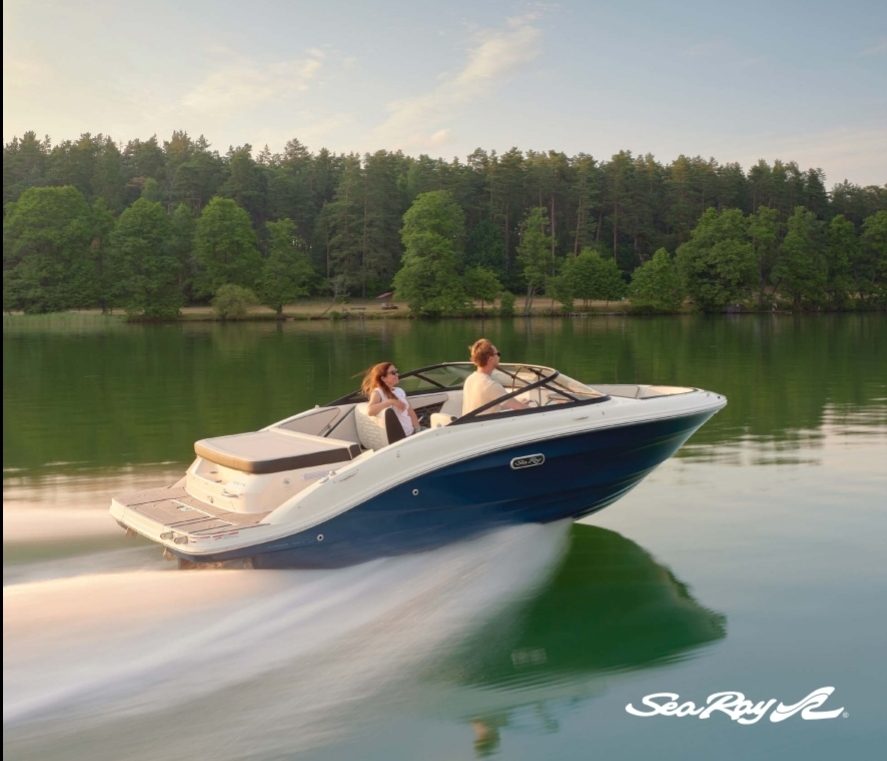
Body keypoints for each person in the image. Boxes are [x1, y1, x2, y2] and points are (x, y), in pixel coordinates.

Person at [462, 338, 530, 416]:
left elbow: (490, 402)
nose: (499, 357)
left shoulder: (470, 379)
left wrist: (517, 401)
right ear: (490, 359)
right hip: (486, 423)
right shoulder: (491, 385)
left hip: (472, 422)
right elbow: (520, 408)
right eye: (498, 354)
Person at [361, 361, 420, 436]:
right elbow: (370, 411)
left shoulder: (399, 390)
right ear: (383, 378)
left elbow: (410, 412)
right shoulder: (378, 392)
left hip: (411, 432)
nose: (397, 374)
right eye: (393, 373)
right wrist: (391, 401)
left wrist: (418, 429)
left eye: (396, 371)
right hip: (401, 437)